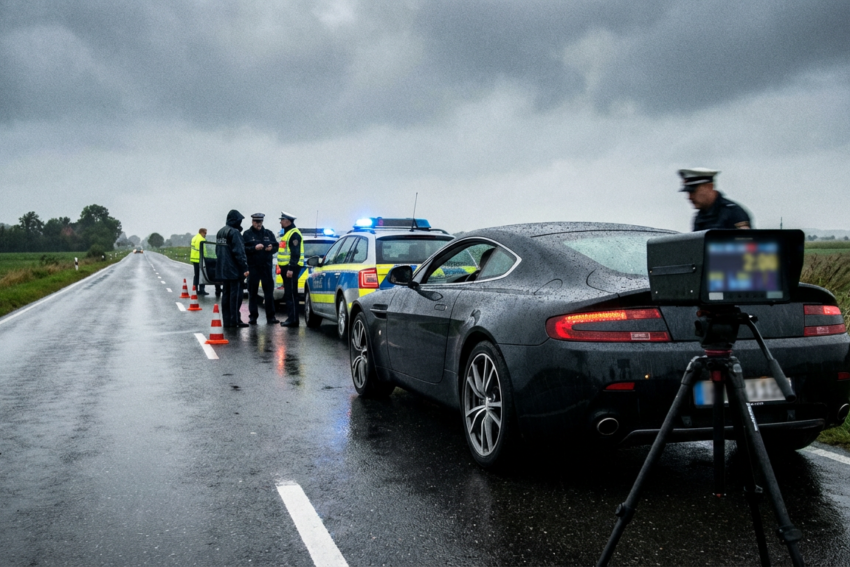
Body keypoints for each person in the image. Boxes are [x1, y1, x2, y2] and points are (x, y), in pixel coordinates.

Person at [679, 168, 752, 231]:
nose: (689, 197)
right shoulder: (699, 217)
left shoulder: (734, 213)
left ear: (709, 187)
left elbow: (745, 243)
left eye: (693, 191)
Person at [243, 213, 280, 325]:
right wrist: (254, 248)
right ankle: (253, 316)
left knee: (268, 293)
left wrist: (271, 248)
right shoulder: (247, 234)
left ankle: (271, 316)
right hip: (253, 267)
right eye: (256, 222)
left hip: (266, 267)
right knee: (253, 293)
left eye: (260, 222)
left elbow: (276, 246)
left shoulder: (268, 233)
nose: (258, 224)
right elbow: (243, 249)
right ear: (252, 222)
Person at [215, 210, 250, 328]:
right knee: (235, 297)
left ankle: (227, 320)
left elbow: (217, 251)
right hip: (234, 270)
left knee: (225, 295)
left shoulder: (220, 232)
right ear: (236, 220)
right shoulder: (234, 233)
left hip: (223, 269)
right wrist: (244, 267)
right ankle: (235, 320)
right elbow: (239, 252)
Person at [278, 211, 304, 327]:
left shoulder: (294, 234)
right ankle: (291, 318)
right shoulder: (287, 233)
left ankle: (293, 320)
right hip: (286, 269)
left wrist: (290, 268)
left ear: (287, 221)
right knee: (288, 294)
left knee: (292, 295)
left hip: (291, 269)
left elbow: (295, 253)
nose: (280, 222)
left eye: (282, 220)